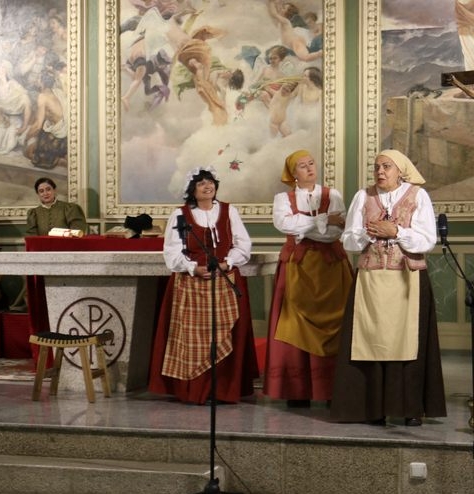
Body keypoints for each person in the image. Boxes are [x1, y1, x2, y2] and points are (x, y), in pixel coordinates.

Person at [330, 149, 447, 426]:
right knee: (368, 339)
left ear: (401, 170)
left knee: (406, 341)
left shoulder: (418, 196)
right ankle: (372, 407)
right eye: (376, 167)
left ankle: (408, 408)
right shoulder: (363, 196)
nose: (380, 172)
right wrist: (366, 233)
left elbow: (427, 240)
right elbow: (348, 240)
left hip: (407, 281)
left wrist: (397, 232)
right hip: (370, 280)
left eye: (386, 167)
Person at [148, 167, 258, 404]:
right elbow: (172, 251)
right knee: (192, 338)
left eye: (210, 182)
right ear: (192, 190)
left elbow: (243, 244)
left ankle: (222, 390)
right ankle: (196, 389)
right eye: (201, 184)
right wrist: (193, 268)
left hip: (225, 281)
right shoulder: (180, 215)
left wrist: (228, 263)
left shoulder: (229, 211)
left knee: (224, 335)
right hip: (191, 284)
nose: (208, 186)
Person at [264, 150, 352, 408]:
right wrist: (324, 219)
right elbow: (284, 224)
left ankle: (331, 388)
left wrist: (307, 226)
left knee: (338, 318)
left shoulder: (332, 194)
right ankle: (298, 389)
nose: (309, 168)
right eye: (302, 166)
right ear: (293, 174)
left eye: (311, 163)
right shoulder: (283, 198)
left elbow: (336, 232)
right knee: (294, 322)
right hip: (298, 268)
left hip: (330, 268)